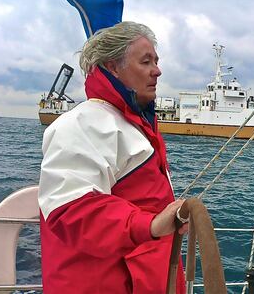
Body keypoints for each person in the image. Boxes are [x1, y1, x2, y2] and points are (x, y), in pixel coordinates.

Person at [38, 21, 188, 294]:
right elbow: (69, 210)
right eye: (146, 61)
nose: (158, 70)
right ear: (112, 67)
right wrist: (151, 224)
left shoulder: (134, 124)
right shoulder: (83, 124)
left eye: (156, 61)